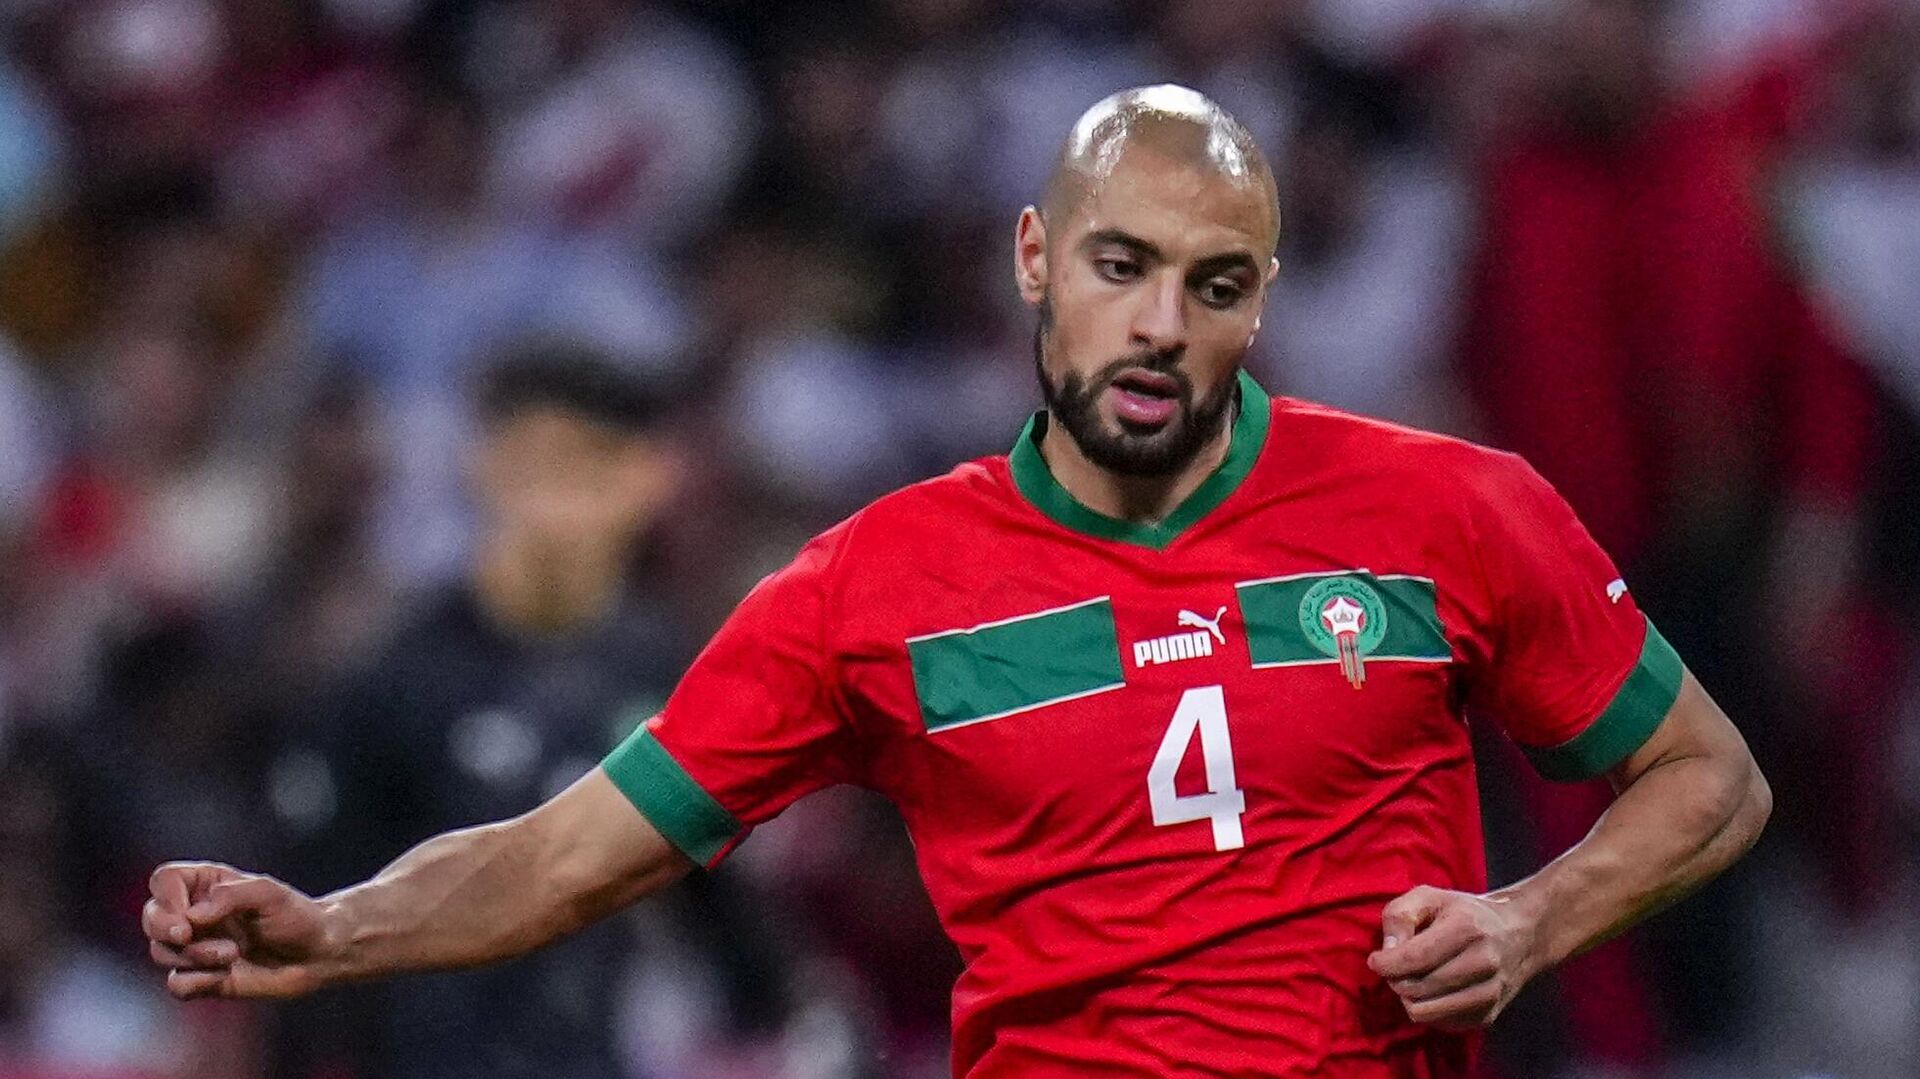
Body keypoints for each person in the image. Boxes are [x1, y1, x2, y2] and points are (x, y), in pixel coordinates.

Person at [143, 86, 1771, 1079]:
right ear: (1035, 258)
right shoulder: (870, 587)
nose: (1159, 325)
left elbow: (1710, 775)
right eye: (1121, 266)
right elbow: (568, 852)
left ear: (1260, 300)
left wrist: (1530, 915)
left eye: (1213, 284)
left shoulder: (1452, 509)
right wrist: (336, 926)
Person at [269, 343, 695, 1079]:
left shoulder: (664, 671)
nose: (558, 501)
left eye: (588, 465)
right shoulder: (398, 678)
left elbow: (714, 891)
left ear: (648, 479)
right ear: (482, 463)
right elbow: (314, 901)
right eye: (538, 464)